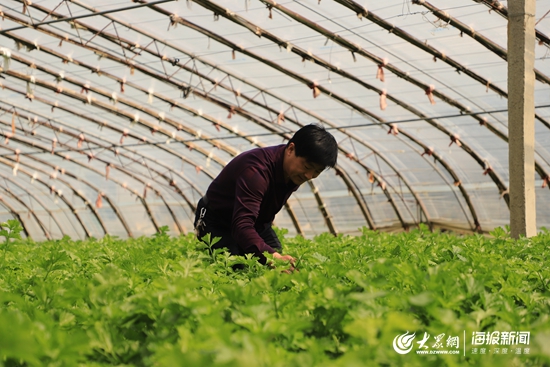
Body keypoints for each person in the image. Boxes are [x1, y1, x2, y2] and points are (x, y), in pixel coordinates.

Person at [193, 123, 338, 268]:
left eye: (317, 172)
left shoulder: (294, 171)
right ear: (291, 149)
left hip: (255, 222)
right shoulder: (256, 171)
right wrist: (272, 258)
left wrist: (274, 255)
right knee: (236, 268)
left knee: (286, 266)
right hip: (217, 221)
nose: (309, 175)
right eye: (307, 167)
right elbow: (242, 225)